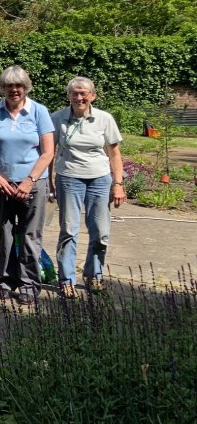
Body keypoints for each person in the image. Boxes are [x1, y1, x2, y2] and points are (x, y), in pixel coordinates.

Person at [0, 65, 55, 305]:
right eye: (9, 85)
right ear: (3, 88)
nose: (14, 90)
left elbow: (48, 152)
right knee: (3, 233)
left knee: (30, 235)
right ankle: (5, 280)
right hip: (2, 184)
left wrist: (29, 181)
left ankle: (29, 284)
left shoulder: (39, 111)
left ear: (25, 87)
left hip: (33, 183)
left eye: (18, 85)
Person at [49, 77, 126, 297]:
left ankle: (94, 274)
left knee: (100, 232)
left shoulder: (104, 119)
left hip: (99, 179)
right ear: (68, 96)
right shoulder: (58, 118)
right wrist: (49, 182)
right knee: (68, 230)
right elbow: (49, 152)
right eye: (74, 93)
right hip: (68, 178)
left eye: (83, 93)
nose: (79, 97)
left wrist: (118, 184)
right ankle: (66, 279)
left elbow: (114, 154)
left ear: (93, 96)